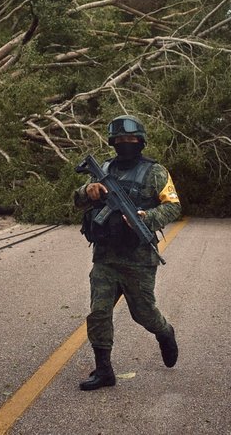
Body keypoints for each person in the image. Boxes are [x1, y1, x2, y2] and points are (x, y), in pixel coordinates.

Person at [72, 114, 182, 391]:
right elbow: (77, 200)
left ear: (141, 141)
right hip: (106, 256)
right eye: (120, 140)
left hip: (139, 259)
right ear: (112, 142)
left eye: (131, 140)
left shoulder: (155, 172)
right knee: (99, 312)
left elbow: (173, 207)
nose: (125, 144)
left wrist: (145, 217)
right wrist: (89, 190)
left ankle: (165, 332)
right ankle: (104, 371)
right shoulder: (105, 168)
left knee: (143, 313)